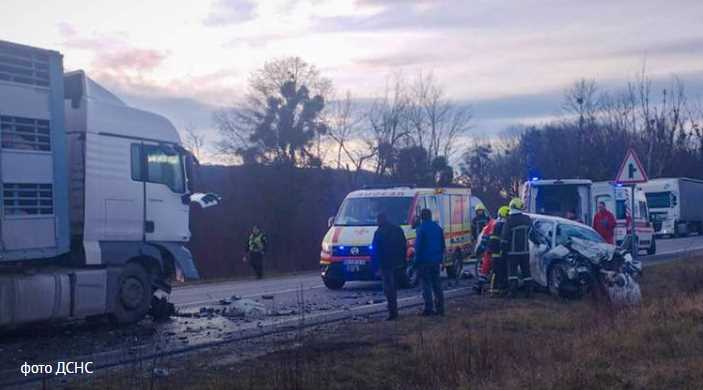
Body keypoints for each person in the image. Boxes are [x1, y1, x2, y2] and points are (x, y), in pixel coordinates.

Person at [372, 213, 408, 321]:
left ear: (380, 220)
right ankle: (394, 310)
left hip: (385, 264)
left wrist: (376, 266)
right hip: (398, 263)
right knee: (394, 287)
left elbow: (375, 250)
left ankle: (393, 312)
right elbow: (403, 245)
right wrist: (403, 261)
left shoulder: (379, 232)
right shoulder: (397, 229)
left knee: (389, 289)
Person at [415, 208, 446, 316]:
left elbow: (418, 247)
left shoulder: (421, 229)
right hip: (436, 260)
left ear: (422, 217)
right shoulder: (438, 228)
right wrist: (442, 260)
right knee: (437, 284)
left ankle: (429, 308)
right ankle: (440, 307)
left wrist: (415, 262)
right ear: (430, 216)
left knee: (426, 285)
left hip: (424, 261)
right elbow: (443, 245)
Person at [501, 198, 533, 297]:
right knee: (526, 272)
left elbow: (504, 237)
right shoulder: (527, 219)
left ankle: (512, 292)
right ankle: (529, 292)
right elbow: (531, 233)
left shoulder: (509, 220)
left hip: (512, 252)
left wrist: (503, 250)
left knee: (512, 273)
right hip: (525, 251)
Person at [475, 205, 510, 294]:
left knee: (487, 269)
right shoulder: (500, 224)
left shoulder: (493, 222)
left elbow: (485, 235)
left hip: (490, 250)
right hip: (494, 250)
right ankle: (493, 289)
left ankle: (481, 287)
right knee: (494, 270)